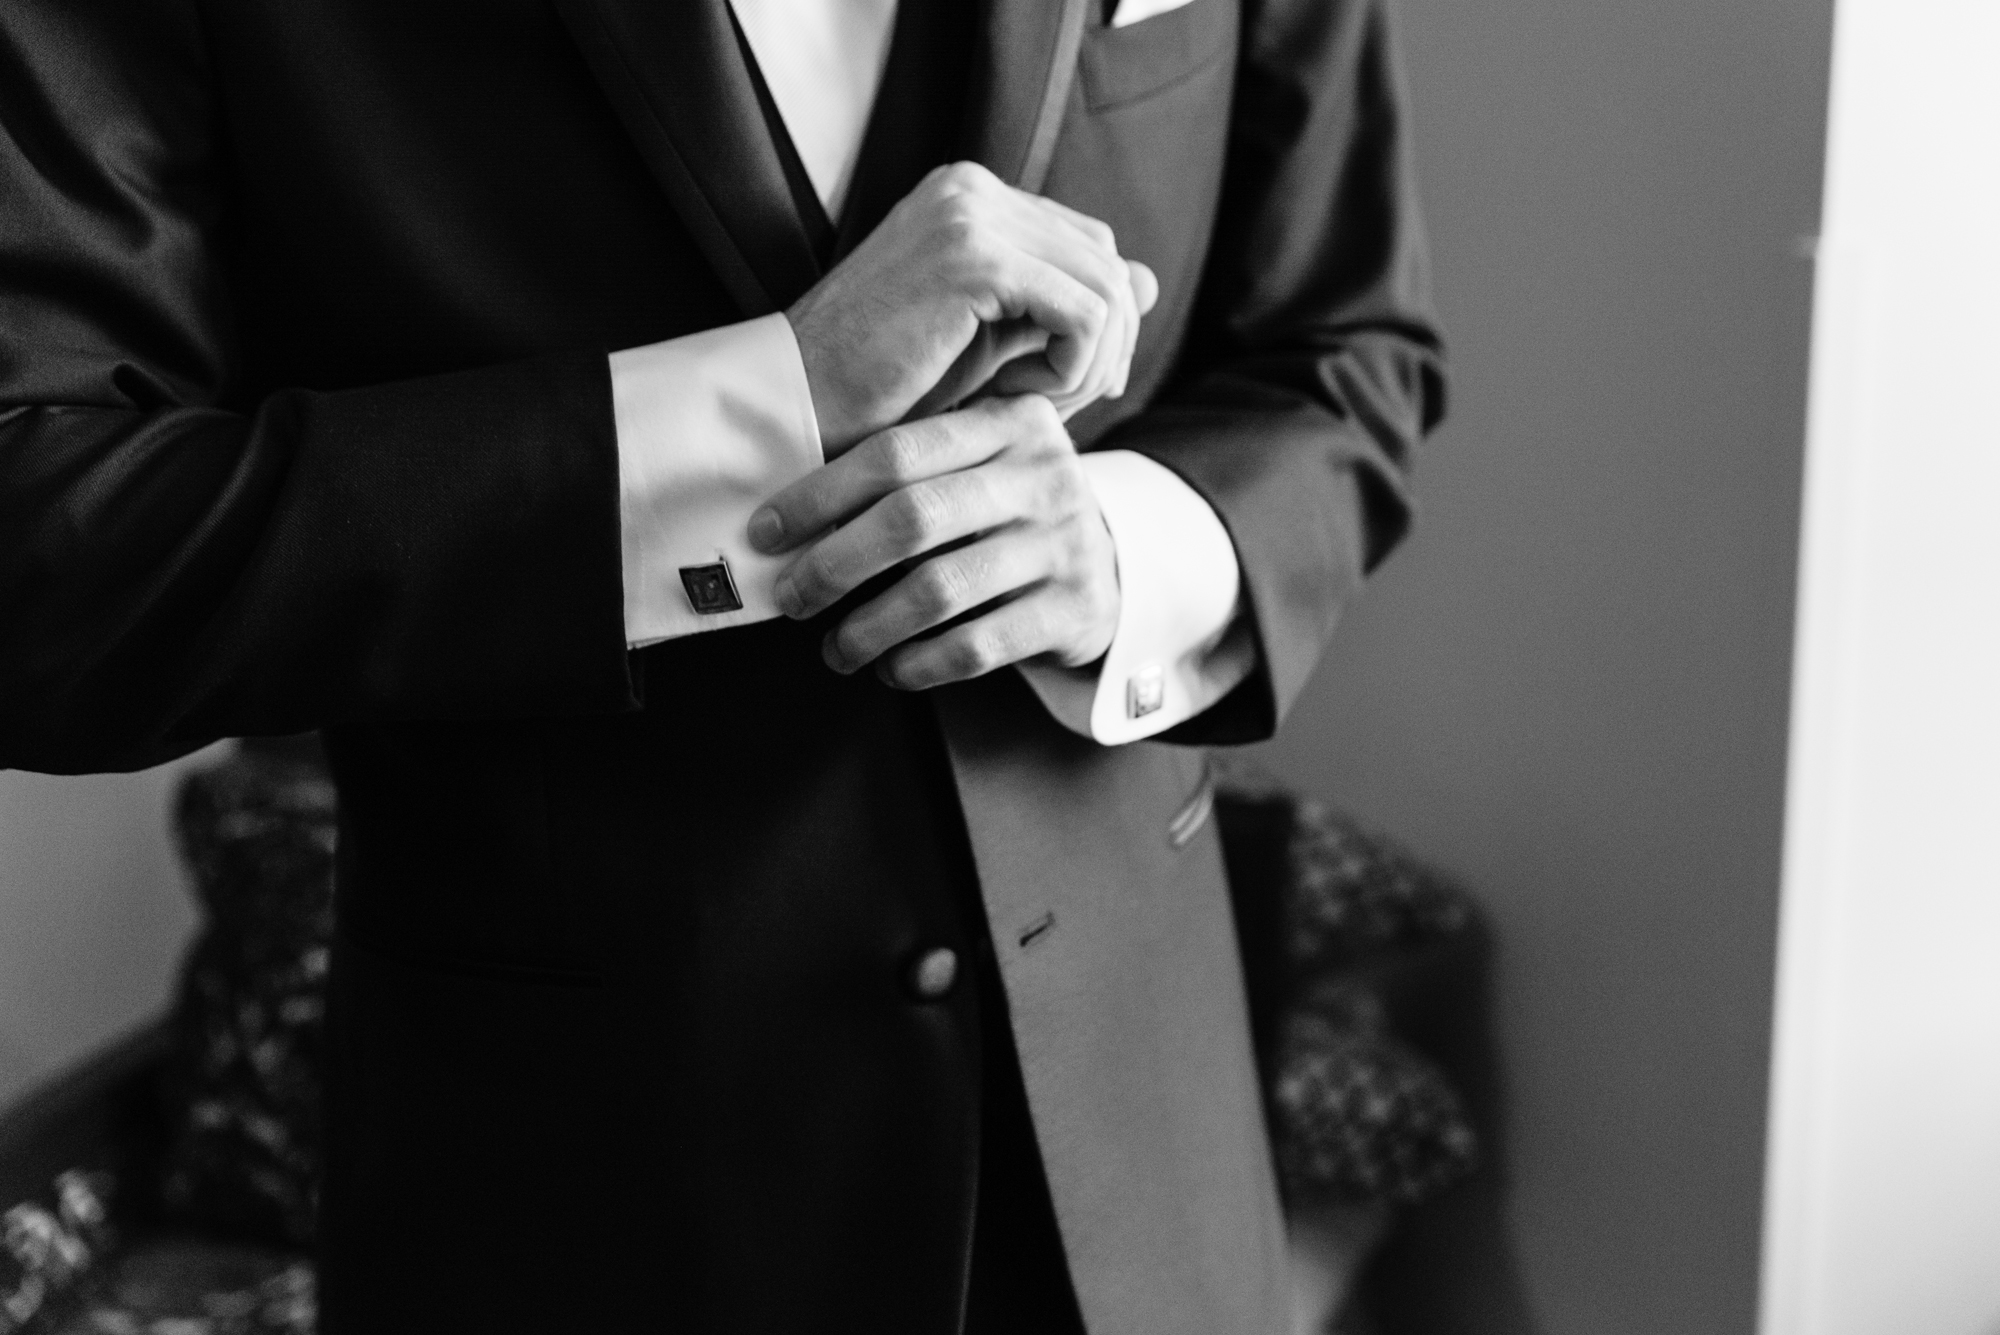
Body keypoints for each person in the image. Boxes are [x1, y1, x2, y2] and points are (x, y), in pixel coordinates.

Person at [0, 0, 1443, 1330]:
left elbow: (1347, 351)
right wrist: (758, 414)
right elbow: (42, 558)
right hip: (582, 1213)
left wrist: (1127, 553)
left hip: (1146, 1197)